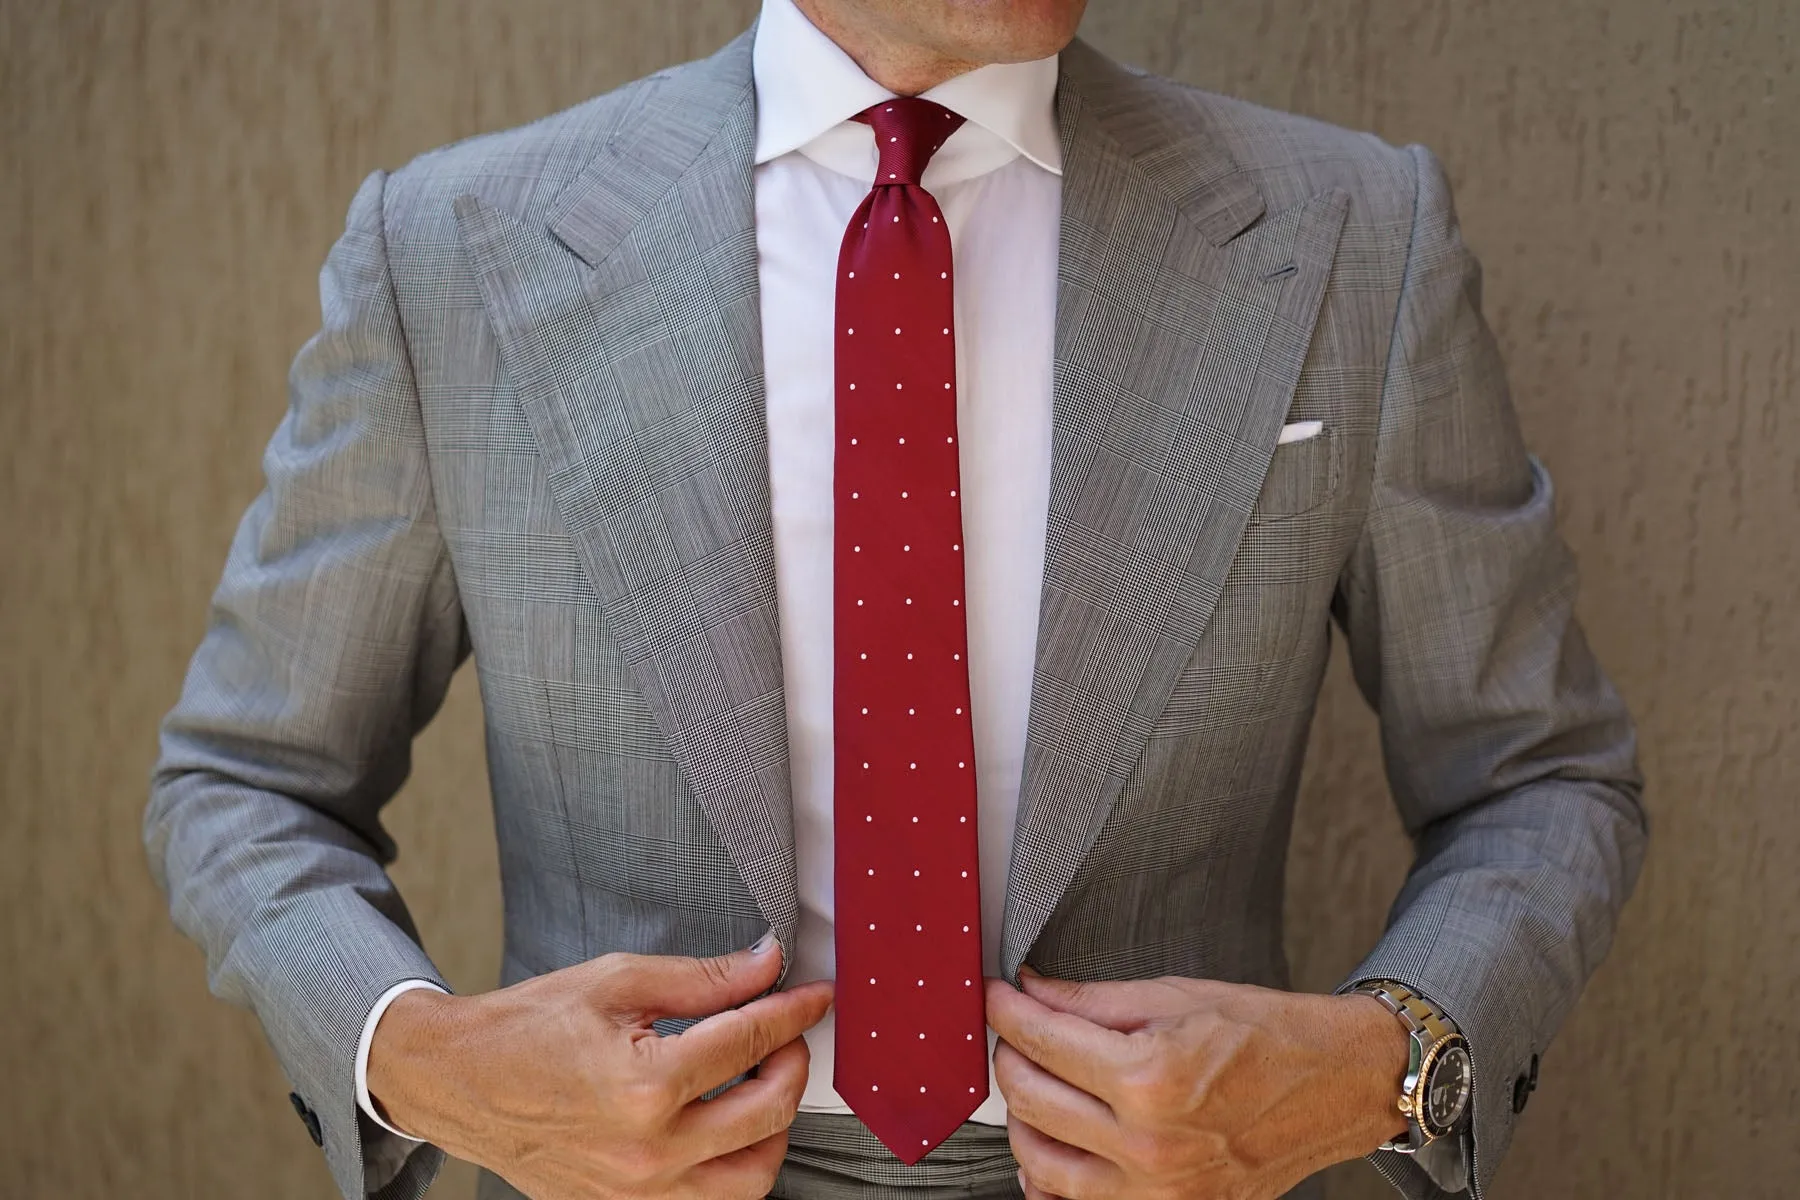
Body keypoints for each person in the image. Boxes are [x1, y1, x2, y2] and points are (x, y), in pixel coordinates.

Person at [144, 0, 1648, 1197]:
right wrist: (425, 1063)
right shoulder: (451, 256)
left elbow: (1542, 778)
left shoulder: (1353, 237)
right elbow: (248, 782)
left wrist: (1380, 1067)